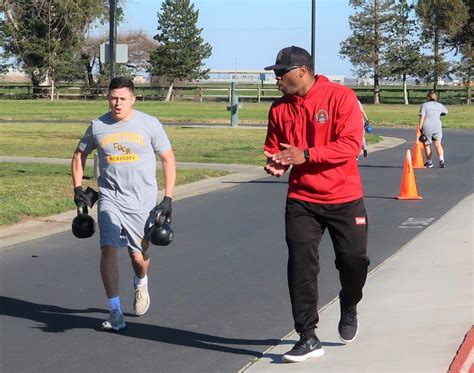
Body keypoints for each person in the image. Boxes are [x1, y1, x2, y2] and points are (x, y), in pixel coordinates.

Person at [263, 46, 370, 363]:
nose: (277, 79)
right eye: (275, 74)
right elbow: (275, 149)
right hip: (302, 199)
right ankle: (307, 336)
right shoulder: (279, 109)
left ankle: (349, 303)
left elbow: (351, 144)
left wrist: (306, 154)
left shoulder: (340, 97)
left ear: (302, 71)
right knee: (300, 267)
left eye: (281, 73)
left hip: (344, 197)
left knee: (354, 262)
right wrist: (278, 164)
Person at [71, 77, 176, 331]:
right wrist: (77, 189)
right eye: (112, 98)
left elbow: (168, 160)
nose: (116, 103)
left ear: (133, 99)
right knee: (108, 247)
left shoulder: (149, 124)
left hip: (142, 201)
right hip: (110, 198)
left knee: (137, 257)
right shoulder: (98, 126)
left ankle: (141, 282)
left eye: (122, 99)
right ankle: (115, 311)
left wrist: (168, 197)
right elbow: (79, 154)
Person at [418, 90, 448, 168]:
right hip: (437, 125)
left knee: (427, 144)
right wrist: (438, 113)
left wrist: (420, 127)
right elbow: (446, 112)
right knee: (438, 144)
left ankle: (429, 162)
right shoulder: (440, 105)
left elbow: (422, 116)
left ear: (428, 97)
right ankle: (441, 160)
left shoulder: (424, 105)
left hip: (427, 125)